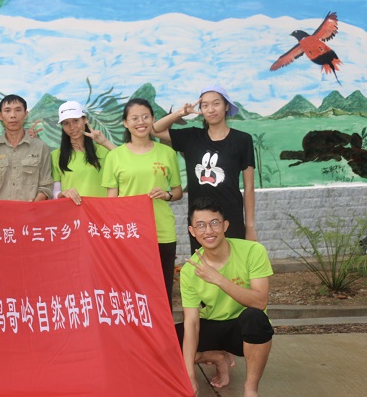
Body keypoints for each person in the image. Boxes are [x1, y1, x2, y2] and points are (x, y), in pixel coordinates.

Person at [176, 197, 273, 397]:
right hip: (213, 325)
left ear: (225, 225)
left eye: (214, 223)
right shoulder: (189, 270)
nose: (208, 231)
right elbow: (192, 323)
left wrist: (219, 279)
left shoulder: (253, 251)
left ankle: (250, 389)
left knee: (256, 318)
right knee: (165, 343)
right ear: (192, 231)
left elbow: (260, 301)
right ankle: (218, 357)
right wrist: (190, 376)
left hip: (241, 329)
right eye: (200, 225)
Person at [152, 84, 256, 254]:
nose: (211, 109)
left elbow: (249, 187)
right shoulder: (191, 137)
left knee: (233, 263)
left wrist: (250, 227)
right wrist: (180, 113)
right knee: (203, 264)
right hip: (199, 220)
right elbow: (155, 130)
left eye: (216, 103)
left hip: (231, 217)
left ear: (226, 106)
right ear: (200, 110)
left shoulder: (242, 140)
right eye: (205, 105)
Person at [102, 98, 182, 310]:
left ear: (153, 119)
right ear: (125, 123)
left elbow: (177, 191)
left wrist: (166, 195)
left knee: (163, 288)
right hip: (130, 232)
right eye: (134, 118)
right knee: (132, 289)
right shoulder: (115, 156)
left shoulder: (167, 153)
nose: (141, 122)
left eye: (145, 117)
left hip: (162, 230)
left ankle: (163, 331)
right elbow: (112, 201)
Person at [0, 94, 54, 201]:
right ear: (0, 116)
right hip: (0, 210)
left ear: (25, 114)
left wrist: (35, 203)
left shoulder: (41, 147)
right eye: (7, 110)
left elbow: (46, 185)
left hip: (31, 210)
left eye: (18, 110)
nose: (13, 115)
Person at [51, 101, 115, 204]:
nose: (72, 127)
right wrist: (62, 193)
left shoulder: (104, 151)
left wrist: (105, 142)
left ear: (85, 120)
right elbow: (54, 192)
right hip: (72, 212)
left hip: (100, 211)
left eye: (75, 120)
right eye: (66, 123)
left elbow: (126, 161)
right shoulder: (56, 155)